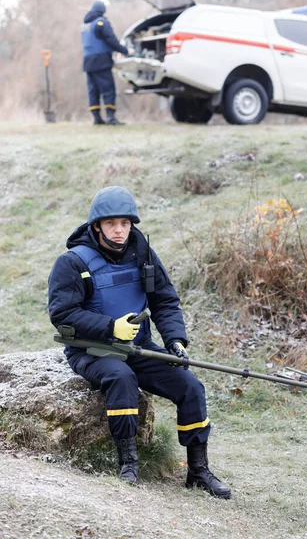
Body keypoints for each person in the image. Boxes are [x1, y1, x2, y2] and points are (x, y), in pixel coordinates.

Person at [48, 186, 231, 499]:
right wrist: (109, 327)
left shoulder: (143, 252)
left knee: (191, 387)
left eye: (125, 223)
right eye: (111, 224)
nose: (119, 231)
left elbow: (165, 300)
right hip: (92, 350)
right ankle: (129, 463)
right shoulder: (72, 262)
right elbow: (62, 312)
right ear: (96, 226)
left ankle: (198, 471)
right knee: (122, 378)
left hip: (139, 347)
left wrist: (175, 340)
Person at [81, 0, 129, 125]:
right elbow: (111, 40)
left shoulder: (86, 25)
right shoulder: (101, 22)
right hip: (101, 60)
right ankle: (111, 117)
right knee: (108, 88)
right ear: (103, 10)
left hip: (88, 61)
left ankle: (97, 118)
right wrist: (125, 51)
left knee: (93, 90)